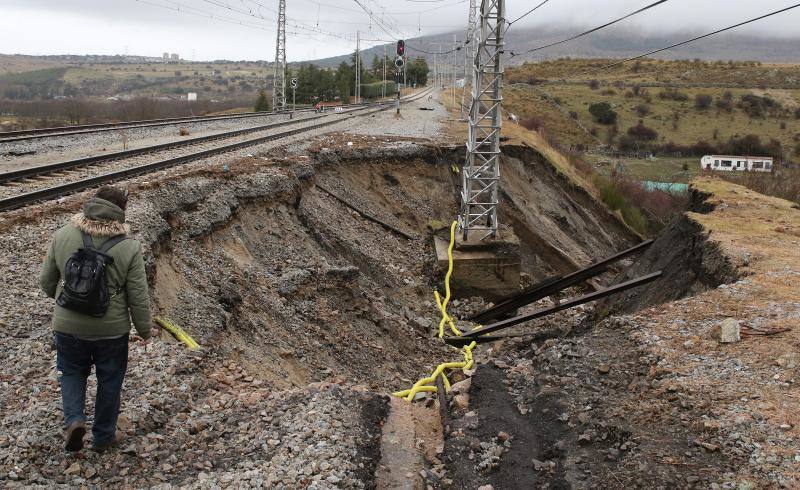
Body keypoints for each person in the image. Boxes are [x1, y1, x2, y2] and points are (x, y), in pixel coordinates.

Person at [39, 186, 153, 452]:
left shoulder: (63, 234)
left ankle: (75, 420)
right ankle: (103, 437)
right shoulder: (129, 247)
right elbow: (138, 296)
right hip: (111, 331)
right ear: (121, 211)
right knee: (110, 380)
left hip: (67, 326)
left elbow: (46, 282)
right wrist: (145, 330)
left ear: (91, 204)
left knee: (71, 372)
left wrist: (64, 300)